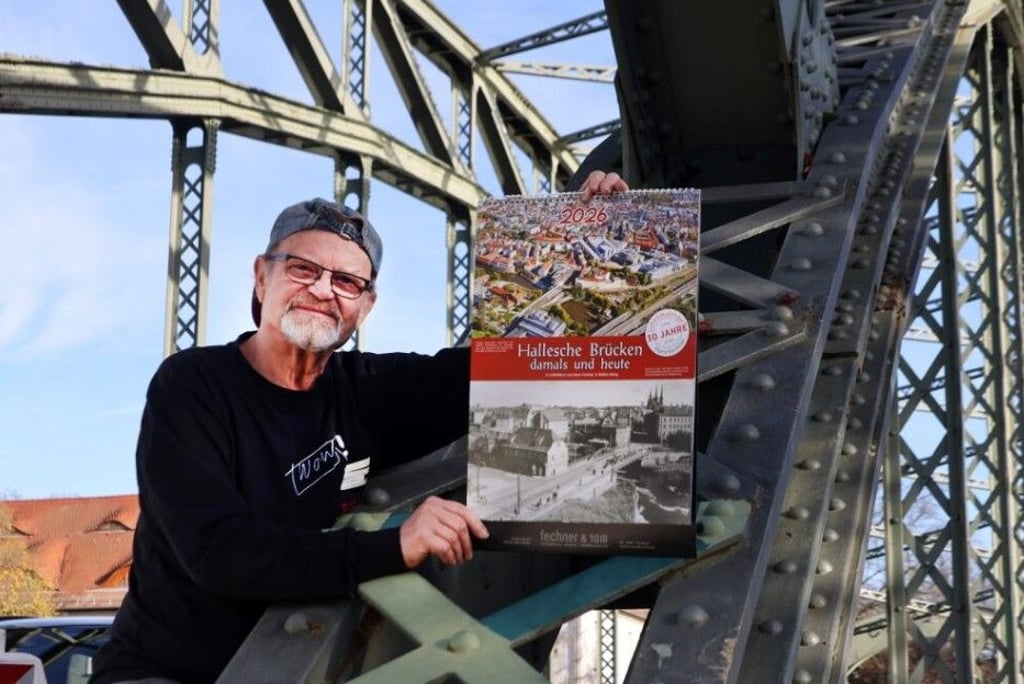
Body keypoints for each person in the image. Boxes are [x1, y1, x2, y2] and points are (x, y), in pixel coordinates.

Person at [89, 170, 628, 684]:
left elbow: (499, 368)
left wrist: (581, 230)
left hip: (310, 657)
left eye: (347, 281)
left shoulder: (367, 390)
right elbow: (218, 552)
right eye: (303, 268)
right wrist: (395, 546)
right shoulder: (192, 385)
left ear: (366, 305)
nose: (324, 290)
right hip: (168, 669)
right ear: (261, 275)